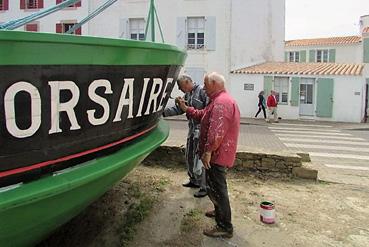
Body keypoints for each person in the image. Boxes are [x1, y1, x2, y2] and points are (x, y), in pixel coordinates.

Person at [177, 72, 240, 239]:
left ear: (214, 84)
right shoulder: (218, 101)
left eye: (206, 84)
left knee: (219, 189)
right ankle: (219, 212)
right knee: (214, 186)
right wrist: (186, 109)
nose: (203, 88)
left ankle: (225, 227)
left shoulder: (221, 103)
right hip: (216, 154)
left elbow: (217, 132)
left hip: (217, 155)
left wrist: (208, 151)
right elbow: (202, 115)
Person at [163, 74, 209, 198]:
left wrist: (187, 108)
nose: (179, 89)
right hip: (192, 130)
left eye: (180, 86)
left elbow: (208, 112)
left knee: (200, 161)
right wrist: (162, 113)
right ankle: (194, 180)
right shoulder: (188, 94)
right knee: (189, 155)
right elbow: (180, 109)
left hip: (201, 132)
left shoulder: (202, 93)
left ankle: (204, 187)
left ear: (188, 82)